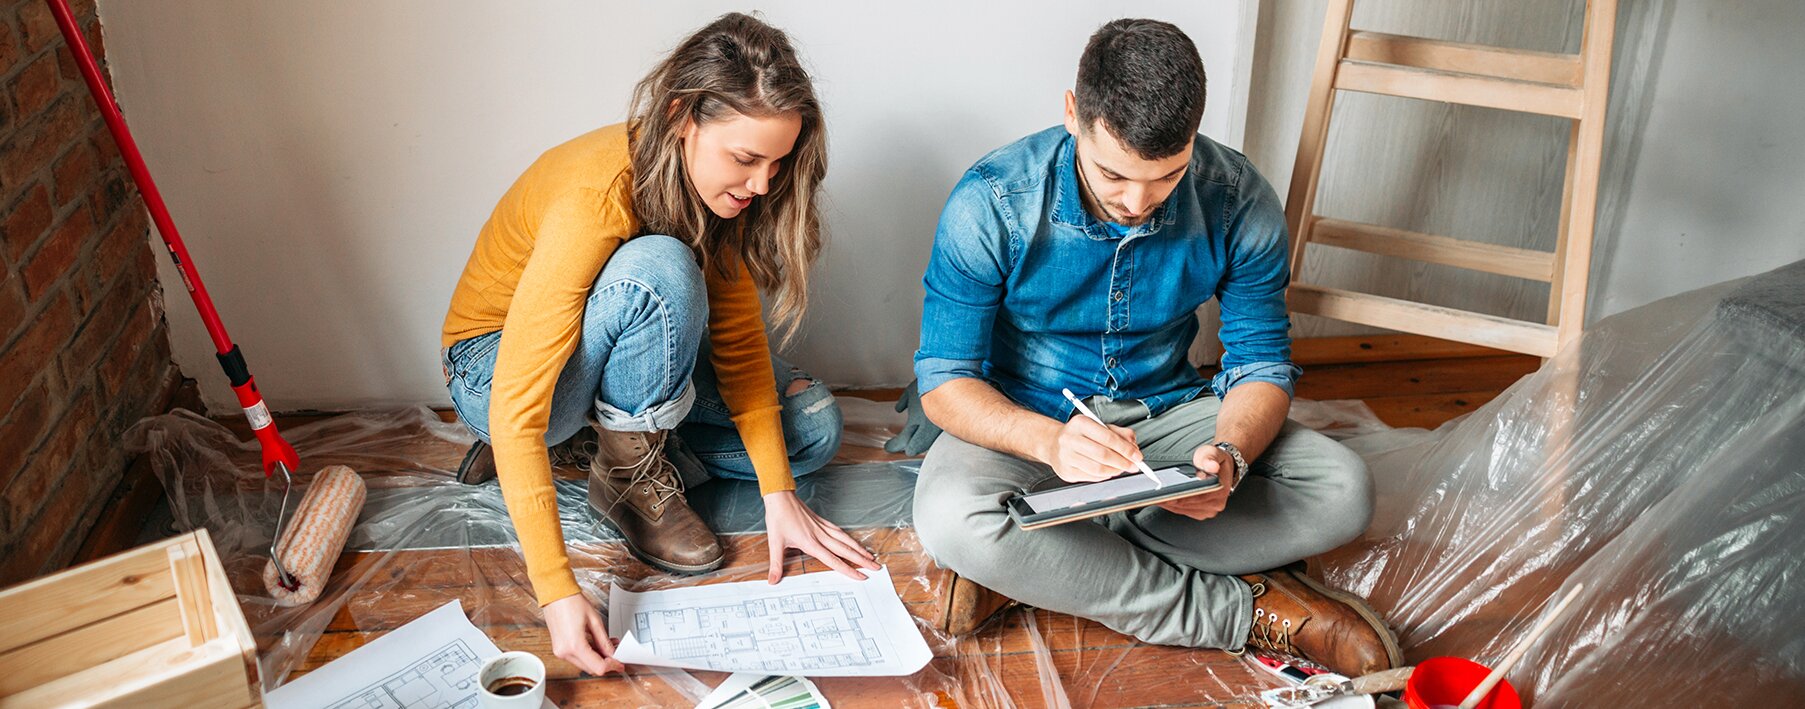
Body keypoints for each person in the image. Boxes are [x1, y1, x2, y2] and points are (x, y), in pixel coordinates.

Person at [906, 18, 1401, 676]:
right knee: (948, 520)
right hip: (1027, 419)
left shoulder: (1237, 196)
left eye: (1166, 176)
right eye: (1113, 174)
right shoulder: (991, 201)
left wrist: (1229, 451)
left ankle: (1053, 559)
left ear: (1194, 135)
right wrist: (1052, 444)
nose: (1137, 201)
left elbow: (1259, 364)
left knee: (1344, 490)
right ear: (1071, 114)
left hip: (1167, 411)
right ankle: (1238, 611)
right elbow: (944, 381)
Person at [440, 13, 879, 675]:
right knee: (660, 270)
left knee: (812, 428)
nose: (762, 184)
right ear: (682, 117)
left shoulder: (724, 195)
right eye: (745, 158)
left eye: (777, 163)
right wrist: (557, 590)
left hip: (617, 351)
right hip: (498, 371)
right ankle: (617, 470)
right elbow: (517, 406)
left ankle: (607, 438)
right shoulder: (597, 195)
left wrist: (779, 497)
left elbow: (735, 344)